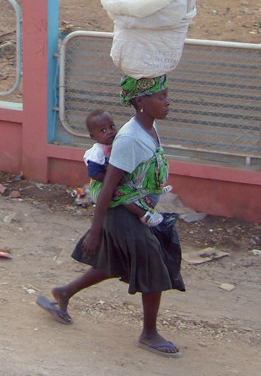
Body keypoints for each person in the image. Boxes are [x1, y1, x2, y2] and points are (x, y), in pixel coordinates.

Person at [37, 75, 185, 358]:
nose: (167, 102)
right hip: (120, 214)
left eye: (166, 96)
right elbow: (107, 188)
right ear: (141, 102)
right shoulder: (129, 138)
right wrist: (95, 231)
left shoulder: (149, 129)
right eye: (161, 97)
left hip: (135, 209)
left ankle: (64, 293)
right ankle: (149, 334)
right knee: (153, 264)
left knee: (115, 263)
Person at [84, 109, 163, 227]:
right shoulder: (97, 152)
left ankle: (153, 189)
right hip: (101, 186)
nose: (110, 132)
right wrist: (111, 180)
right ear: (92, 136)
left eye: (111, 127)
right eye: (103, 130)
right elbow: (93, 173)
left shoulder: (117, 143)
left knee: (132, 186)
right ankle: (143, 215)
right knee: (123, 195)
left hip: (113, 181)